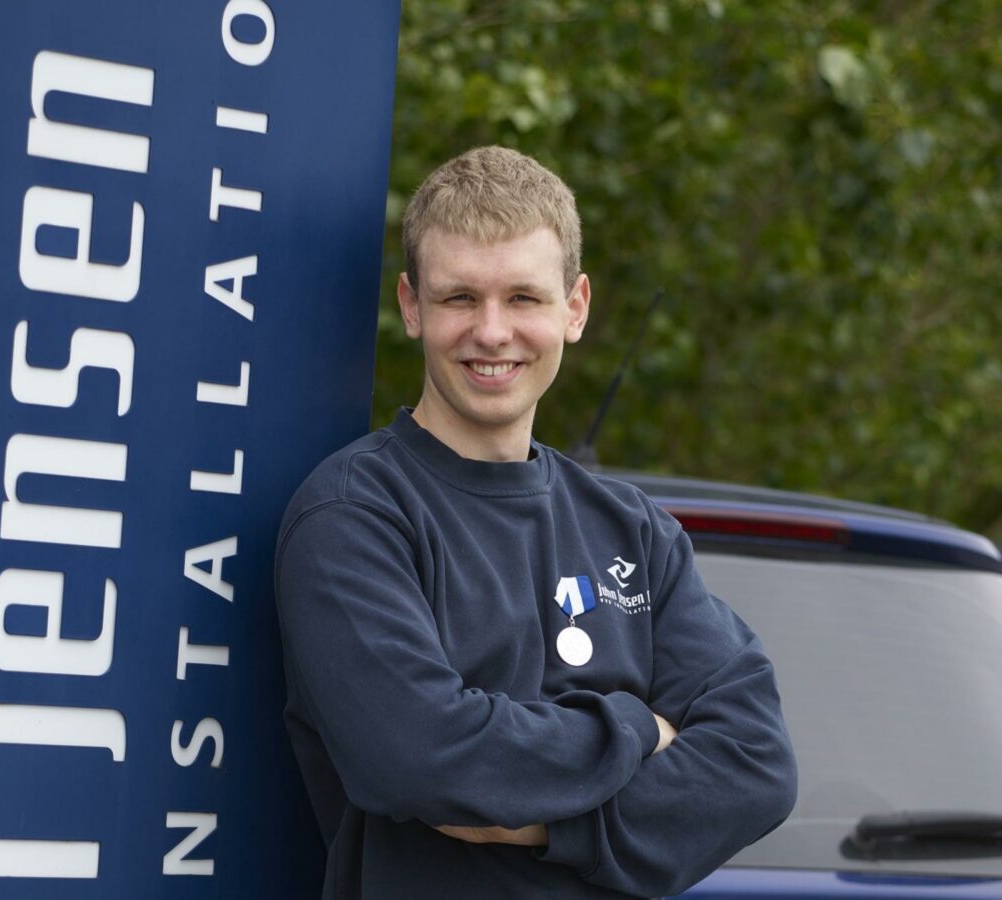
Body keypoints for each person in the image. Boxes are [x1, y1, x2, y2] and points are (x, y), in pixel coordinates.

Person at [274, 146, 797, 900]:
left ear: (574, 308)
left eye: (523, 298)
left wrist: (555, 823)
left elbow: (756, 765)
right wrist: (639, 730)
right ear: (412, 306)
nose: (492, 333)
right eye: (460, 299)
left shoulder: (635, 532)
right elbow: (426, 760)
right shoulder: (354, 515)